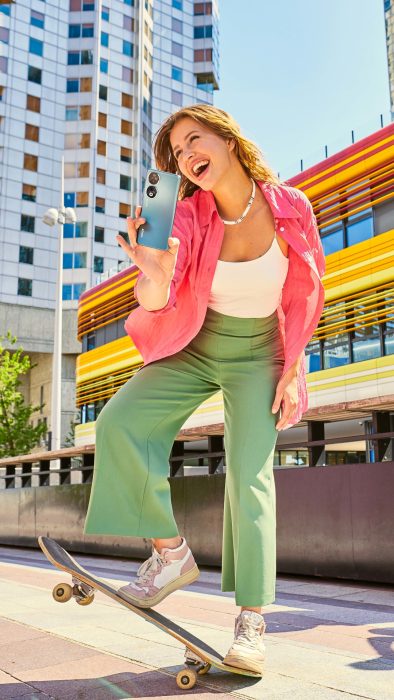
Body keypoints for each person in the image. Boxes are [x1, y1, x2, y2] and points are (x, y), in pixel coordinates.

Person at [84, 104, 325, 676]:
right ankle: (170, 555)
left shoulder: (291, 206)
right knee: (120, 424)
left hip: (260, 353)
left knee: (250, 476)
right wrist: (156, 272)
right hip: (194, 342)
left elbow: (307, 292)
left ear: (227, 139)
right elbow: (154, 298)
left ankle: (250, 623)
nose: (188, 155)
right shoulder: (187, 215)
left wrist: (294, 370)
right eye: (177, 152)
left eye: (196, 138)